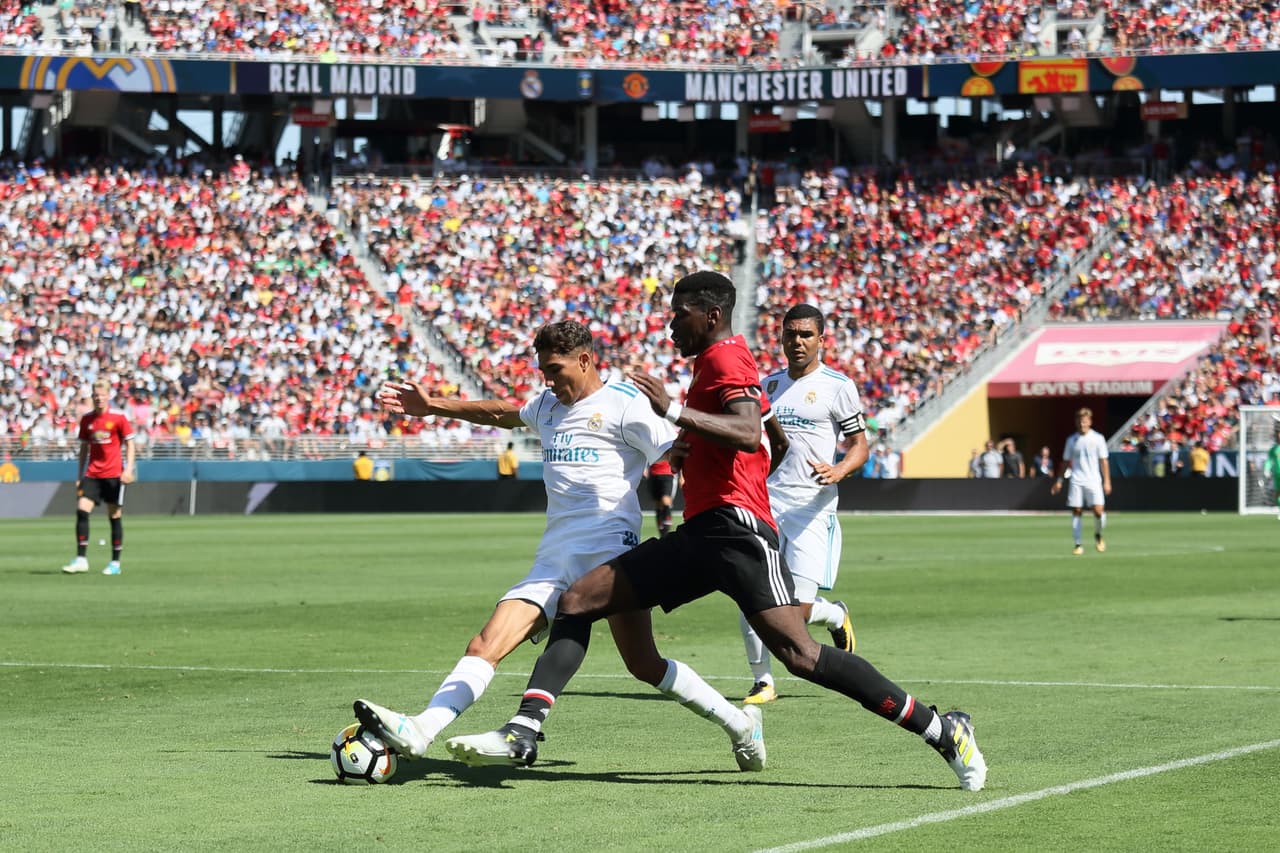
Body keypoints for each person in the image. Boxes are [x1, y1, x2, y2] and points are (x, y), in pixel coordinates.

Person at [446, 272, 986, 790]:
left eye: (678, 315)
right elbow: (774, 438)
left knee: (800, 656)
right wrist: (706, 460)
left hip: (735, 534)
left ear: (711, 314)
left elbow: (750, 432)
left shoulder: (726, 355)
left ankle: (941, 730)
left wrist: (679, 417)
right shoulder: (716, 361)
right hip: (704, 530)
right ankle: (524, 730)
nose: (669, 326)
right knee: (581, 598)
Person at [353, 321, 766, 771]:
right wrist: (434, 405)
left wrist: (711, 504)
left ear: (586, 360)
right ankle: (422, 729)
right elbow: (500, 413)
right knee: (486, 642)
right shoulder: (547, 405)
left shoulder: (627, 406)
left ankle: (528, 727)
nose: (548, 381)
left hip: (612, 552)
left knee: (641, 662)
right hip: (554, 555)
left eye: (555, 369)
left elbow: (680, 452)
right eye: (543, 371)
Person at [739, 303, 865, 705]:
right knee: (752, 593)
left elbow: (859, 445)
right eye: (791, 334)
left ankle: (834, 614)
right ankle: (763, 680)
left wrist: (840, 470)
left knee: (798, 610)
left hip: (813, 509)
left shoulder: (837, 386)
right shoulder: (768, 386)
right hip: (768, 504)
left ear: (821, 340)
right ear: (781, 337)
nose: (797, 341)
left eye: (806, 335)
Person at [62, 378, 136, 576]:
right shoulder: (87, 420)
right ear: (92, 397)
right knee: (82, 510)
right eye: (96, 396)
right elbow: (84, 449)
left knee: (114, 515)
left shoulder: (119, 418)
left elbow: (130, 444)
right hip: (92, 473)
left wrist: (128, 469)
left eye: (102, 395)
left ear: (108, 396)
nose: (99, 399)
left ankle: (115, 563)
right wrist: (80, 475)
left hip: (114, 474)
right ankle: (81, 559)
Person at [1051, 407, 1111, 555]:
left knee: (1098, 511)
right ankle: (1078, 544)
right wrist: (1059, 480)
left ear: (1089, 422)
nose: (1082, 424)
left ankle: (1098, 535)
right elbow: (1065, 462)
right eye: (1079, 421)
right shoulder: (1071, 440)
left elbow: (1104, 461)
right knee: (1076, 510)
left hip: (1094, 480)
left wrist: (1107, 481)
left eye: (1084, 421)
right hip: (1076, 479)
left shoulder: (1098, 438)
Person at [644, 459, 677, 538]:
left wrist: (681, 475)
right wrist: (645, 468)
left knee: (665, 500)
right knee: (658, 504)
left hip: (667, 473)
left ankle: (666, 530)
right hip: (653, 474)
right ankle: (662, 534)